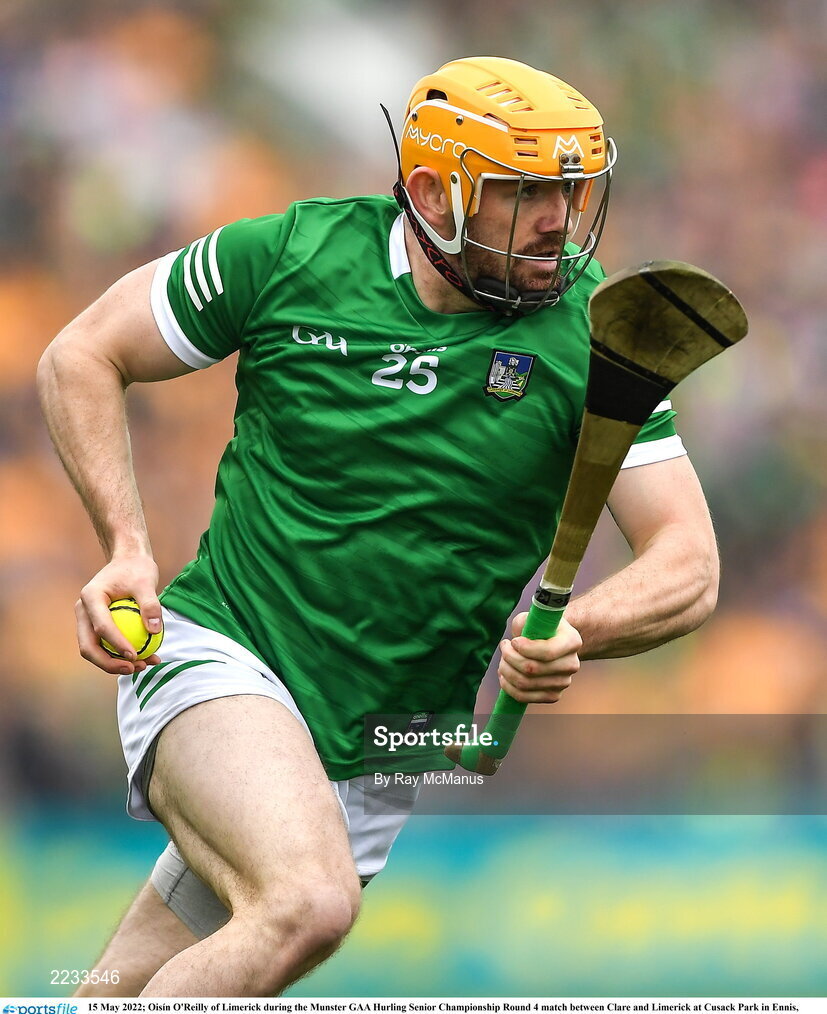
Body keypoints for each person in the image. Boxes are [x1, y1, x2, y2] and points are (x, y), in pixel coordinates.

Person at [38, 56, 719, 997]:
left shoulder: (590, 333)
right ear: (436, 193)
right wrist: (126, 546)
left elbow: (687, 558)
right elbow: (81, 354)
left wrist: (580, 626)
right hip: (224, 653)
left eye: (571, 191)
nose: (560, 220)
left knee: (119, 991)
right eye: (526, 194)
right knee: (305, 903)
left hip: (379, 745)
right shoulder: (289, 256)